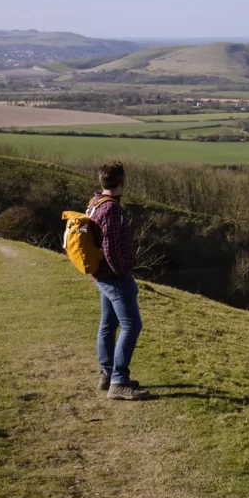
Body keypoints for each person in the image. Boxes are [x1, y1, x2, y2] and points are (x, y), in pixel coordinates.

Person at [88, 162, 151, 400]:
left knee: (108, 324)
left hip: (101, 275)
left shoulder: (95, 203)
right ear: (122, 182)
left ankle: (107, 374)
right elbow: (111, 250)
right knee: (132, 325)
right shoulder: (111, 210)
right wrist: (125, 274)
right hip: (114, 278)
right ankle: (119, 381)